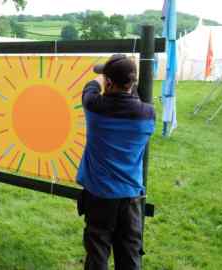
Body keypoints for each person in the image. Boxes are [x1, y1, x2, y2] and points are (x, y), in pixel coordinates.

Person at [76, 54, 155, 270]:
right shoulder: (147, 115)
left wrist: (98, 80)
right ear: (132, 83)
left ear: (108, 82)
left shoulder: (94, 106)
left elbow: (89, 87)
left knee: (97, 254)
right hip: (130, 198)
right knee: (129, 255)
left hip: (99, 196)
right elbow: (133, 99)